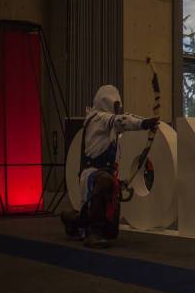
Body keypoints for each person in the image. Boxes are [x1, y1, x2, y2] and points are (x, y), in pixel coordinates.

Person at [61, 85, 159, 248]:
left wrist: (146, 122)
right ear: (106, 102)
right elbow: (123, 120)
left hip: (105, 176)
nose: (118, 108)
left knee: (111, 233)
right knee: (106, 182)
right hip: (92, 174)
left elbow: (125, 118)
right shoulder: (98, 119)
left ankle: (74, 220)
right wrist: (144, 123)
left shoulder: (109, 124)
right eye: (115, 104)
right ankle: (92, 233)